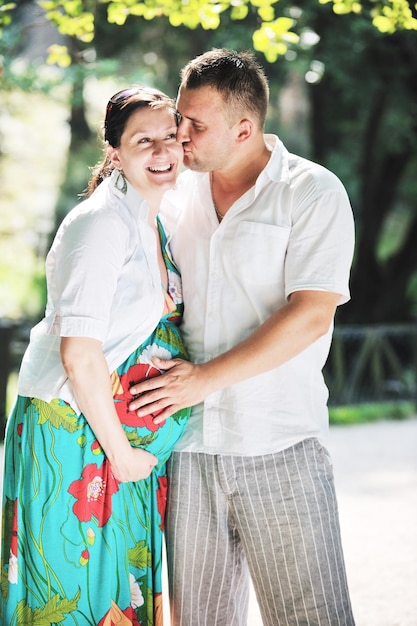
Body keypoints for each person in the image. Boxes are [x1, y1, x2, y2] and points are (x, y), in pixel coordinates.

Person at [129, 49, 356, 626]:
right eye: (180, 119)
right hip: (190, 449)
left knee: (313, 618)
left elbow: (311, 314)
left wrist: (205, 378)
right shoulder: (173, 194)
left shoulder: (311, 191)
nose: (180, 136)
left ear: (245, 128)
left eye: (196, 126)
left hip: (281, 443)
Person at [0, 86, 190, 625]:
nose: (162, 152)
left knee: (114, 596)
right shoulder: (102, 224)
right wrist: (125, 455)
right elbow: (80, 355)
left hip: (110, 438)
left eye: (171, 138)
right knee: (73, 597)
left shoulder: (153, 217)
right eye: (143, 141)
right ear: (114, 152)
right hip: (75, 432)